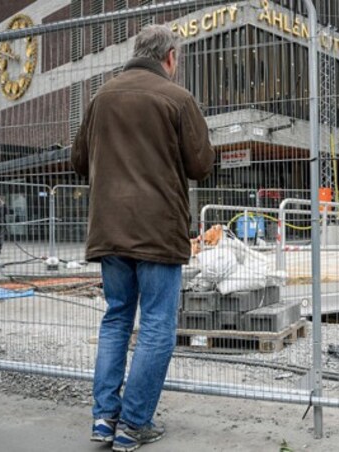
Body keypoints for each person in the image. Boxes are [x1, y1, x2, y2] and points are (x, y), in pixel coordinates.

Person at [71, 25, 214, 452]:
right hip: (157, 231)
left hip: (109, 229)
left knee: (116, 317)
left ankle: (104, 418)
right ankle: (134, 424)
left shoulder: (101, 97)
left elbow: (78, 160)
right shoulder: (177, 98)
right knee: (156, 326)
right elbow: (200, 164)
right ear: (169, 56)